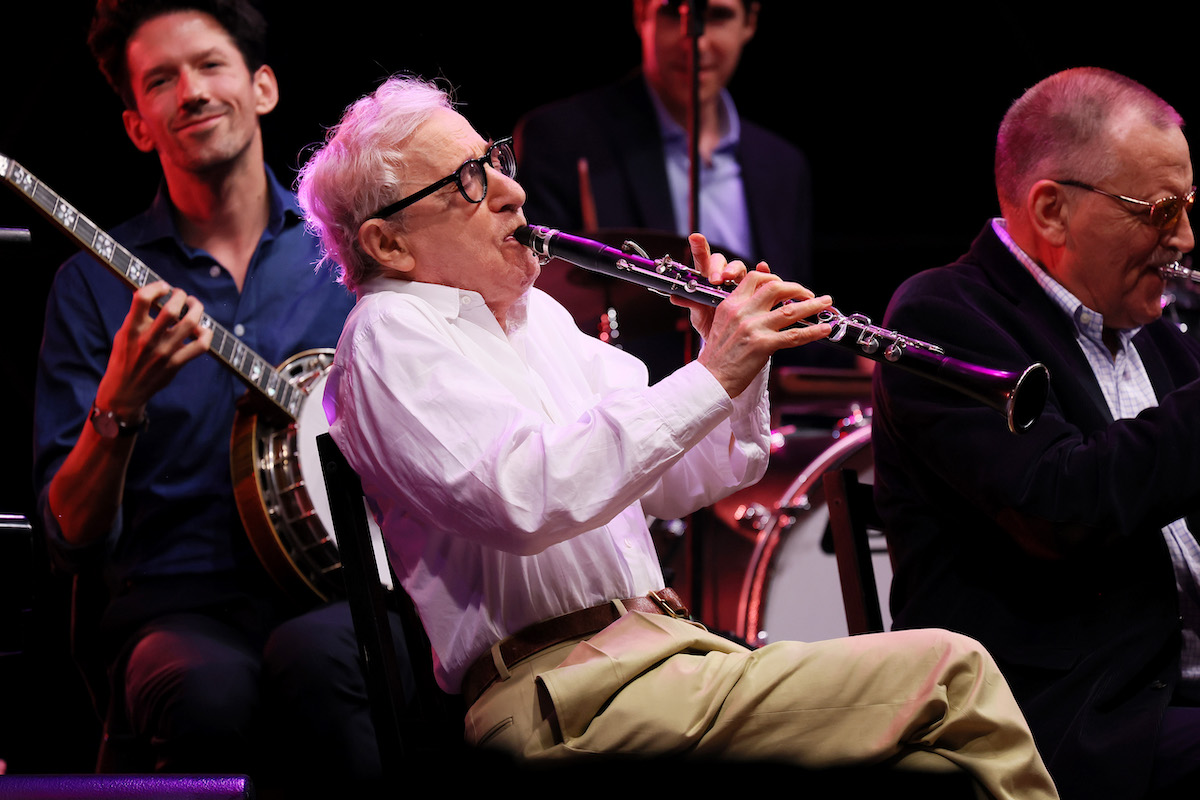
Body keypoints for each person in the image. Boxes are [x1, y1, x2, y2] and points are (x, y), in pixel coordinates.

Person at [296, 73, 1059, 799]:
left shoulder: (540, 321)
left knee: (935, 764)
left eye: (494, 161)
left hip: (662, 658)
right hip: (562, 696)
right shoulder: (391, 334)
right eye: (468, 181)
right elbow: (524, 497)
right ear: (388, 245)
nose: (512, 191)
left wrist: (727, 354)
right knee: (954, 673)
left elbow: (685, 476)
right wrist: (714, 373)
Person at [32, 0, 406, 791]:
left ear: (262, 87)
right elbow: (69, 534)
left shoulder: (348, 254)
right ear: (138, 125)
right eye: (161, 81)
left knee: (323, 658)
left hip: (343, 588)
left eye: (209, 66)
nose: (192, 92)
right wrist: (120, 404)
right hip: (175, 605)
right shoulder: (92, 288)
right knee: (205, 690)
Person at [872, 67, 1199, 799]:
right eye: (1159, 209)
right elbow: (1061, 504)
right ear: (1051, 211)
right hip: (1066, 720)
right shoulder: (941, 317)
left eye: (1189, 205)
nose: (1184, 237)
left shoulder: (1161, 335)